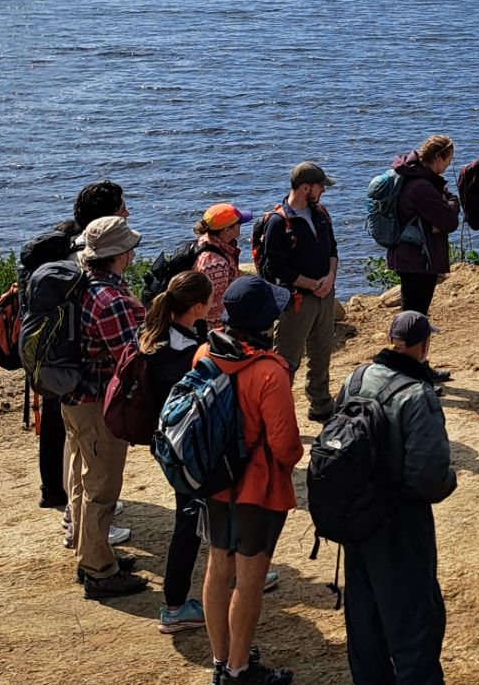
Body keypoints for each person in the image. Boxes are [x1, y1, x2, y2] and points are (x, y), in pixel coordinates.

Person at [339, 311, 458, 685]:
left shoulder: (355, 378)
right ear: (424, 346)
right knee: (414, 628)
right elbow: (430, 478)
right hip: (400, 526)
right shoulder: (417, 394)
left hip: (356, 519)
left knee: (365, 623)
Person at [199, 276, 303, 685]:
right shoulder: (269, 372)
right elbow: (285, 447)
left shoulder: (204, 353)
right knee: (250, 578)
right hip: (256, 489)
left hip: (213, 481)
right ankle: (239, 670)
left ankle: (221, 660)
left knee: (216, 566)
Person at [34, 181, 127, 529]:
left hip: (60, 362)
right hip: (83, 373)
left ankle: (61, 500)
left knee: (70, 439)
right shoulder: (87, 261)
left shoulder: (66, 246)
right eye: (121, 209)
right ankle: (81, 525)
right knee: (86, 453)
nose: (127, 213)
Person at [67, 215, 148, 599]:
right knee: (102, 488)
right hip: (98, 404)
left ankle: (93, 555)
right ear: (120, 255)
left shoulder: (82, 285)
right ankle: (99, 572)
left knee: (85, 483)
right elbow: (130, 358)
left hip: (74, 401)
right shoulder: (111, 299)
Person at [135, 270, 215, 632]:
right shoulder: (182, 354)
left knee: (206, 511)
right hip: (187, 448)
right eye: (210, 299)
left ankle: (232, 573)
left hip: (165, 442)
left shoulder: (157, 337)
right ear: (197, 306)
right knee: (190, 521)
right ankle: (174, 605)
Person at [257, 161, 340, 422]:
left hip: (324, 296)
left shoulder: (321, 214)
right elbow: (275, 267)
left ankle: (321, 405)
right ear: (306, 188)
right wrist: (311, 284)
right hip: (296, 302)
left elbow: (333, 250)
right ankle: (276, 413)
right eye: (320, 187)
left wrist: (330, 277)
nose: (323, 191)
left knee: (321, 354)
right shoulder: (277, 223)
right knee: (286, 361)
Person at [386, 136, 462, 315]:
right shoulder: (421, 186)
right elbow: (450, 221)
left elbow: (443, 208)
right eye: (448, 160)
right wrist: (447, 208)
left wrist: (440, 213)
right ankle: (406, 342)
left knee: (413, 312)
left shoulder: (417, 176)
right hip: (417, 259)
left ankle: (409, 340)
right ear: (438, 158)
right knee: (414, 313)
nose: (448, 166)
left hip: (411, 255)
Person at [193, 203, 251, 333]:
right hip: (217, 331)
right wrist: (223, 337)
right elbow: (215, 310)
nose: (240, 227)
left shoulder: (208, 241)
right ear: (226, 230)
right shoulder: (214, 263)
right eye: (238, 224)